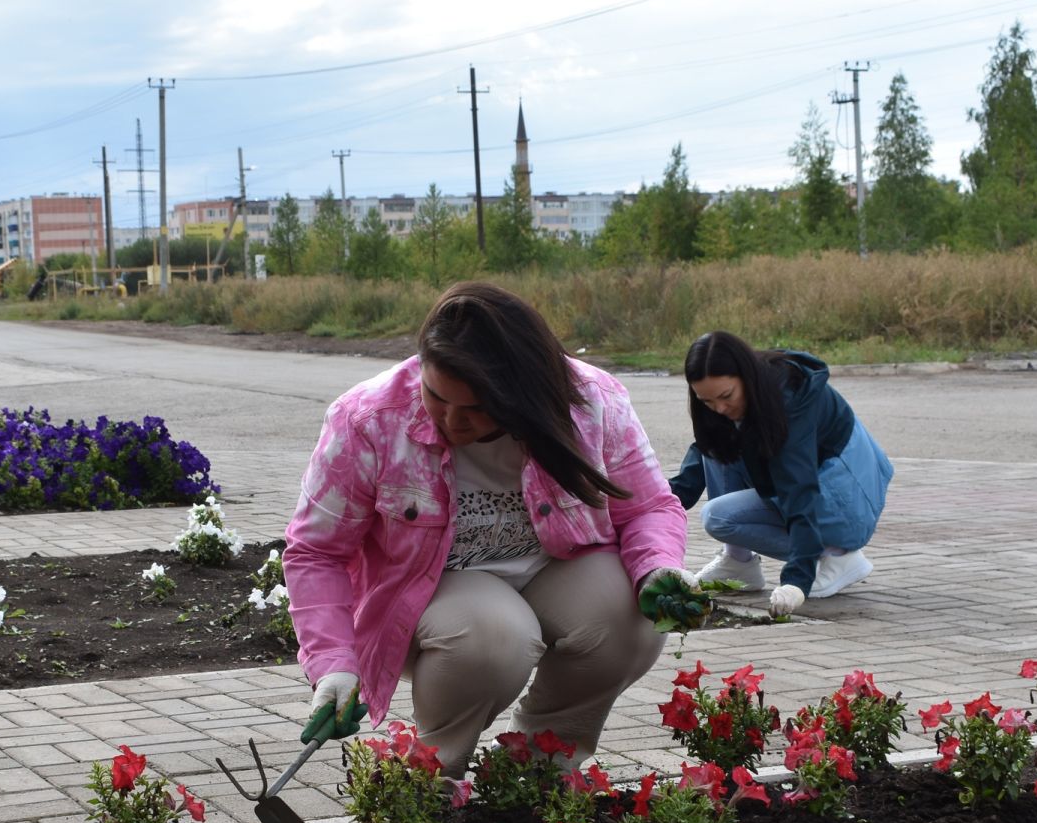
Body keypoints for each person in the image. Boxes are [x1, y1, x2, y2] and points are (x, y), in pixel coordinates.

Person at [284, 281, 696, 777]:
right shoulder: (368, 420)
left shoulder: (590, 403)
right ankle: (430, 782)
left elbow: (648, 506)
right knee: (496, 635)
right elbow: (315, 552)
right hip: (435, 595)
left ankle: (535, 769)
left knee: (630, 619)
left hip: (555, 570)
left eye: (477, 408)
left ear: (521, 394)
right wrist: (334, 663)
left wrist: (657, 570)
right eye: (436, 396)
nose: (451, 421)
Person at [673, 330, 893, 618]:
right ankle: (738, 561)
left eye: (726, 396)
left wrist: (796, 580)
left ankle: (838, 554)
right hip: (817, 487)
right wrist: (646, 508)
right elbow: (702, 453)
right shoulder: (737, 402)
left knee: (719, 516)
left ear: (746, 375)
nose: (719, 408)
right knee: (718, 446)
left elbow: (798, 490)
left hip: (848, 503)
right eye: (707, 402)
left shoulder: (789, 402)